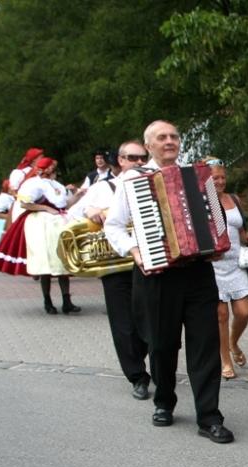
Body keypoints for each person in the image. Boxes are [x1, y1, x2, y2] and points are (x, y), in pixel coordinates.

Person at [104, 120, 234, 444]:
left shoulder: (198, 175)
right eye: (161, 137)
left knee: (205, 345)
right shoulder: (133, 180)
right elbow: (114, 225)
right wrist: (135, 250)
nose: (169, 141)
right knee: (161, 344)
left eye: (173, 136)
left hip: (198, 272)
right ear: (149, 145)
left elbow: (216, 219)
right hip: (157, 274)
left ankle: (209, 417)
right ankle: (164, 401)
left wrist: (216, 241)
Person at [69, 140, 152, 400]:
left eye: (143, 157)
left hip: (150, 260)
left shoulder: (154, 183)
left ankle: (153, 364)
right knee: (123, 323)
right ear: (121, 161)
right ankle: (137, 376)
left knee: (151, 319)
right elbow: (73, 212)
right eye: (132, 158)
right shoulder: (102, 187)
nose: (139, 162)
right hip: (115, 264)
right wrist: (90, 209)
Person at [205, 157, 248, 380]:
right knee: (221, 316)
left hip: (235, 263)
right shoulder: (203, 203)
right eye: (215, 178)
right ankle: (225, 361)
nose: (220, 182)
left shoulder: (234, 199)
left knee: (243, 312)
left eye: (222, 177)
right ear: (206, 180)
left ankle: (233, 342)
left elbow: (241, 231)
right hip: (213, 265)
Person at [19, 157, 81, 314]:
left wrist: (78, 195)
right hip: (42, 225)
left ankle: (67, 301)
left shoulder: (56, 184)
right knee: (45, 263)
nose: (54, 169)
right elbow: (24, 204)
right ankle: (47, 301)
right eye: (52, 166)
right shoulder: (34, 184)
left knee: (63, 262)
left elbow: (65, 204)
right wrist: (46, 208)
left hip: (59, 223)